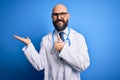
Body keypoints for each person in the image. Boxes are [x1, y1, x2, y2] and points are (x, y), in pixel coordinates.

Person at [13, 4, 90, 80]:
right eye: (55, 15)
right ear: (52, 17)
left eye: (62, 14)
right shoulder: (46, 39)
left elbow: (83, 65)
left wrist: (64, 49)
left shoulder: (78, 38)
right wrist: (29, 45)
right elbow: (39, 65)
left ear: (68, 16)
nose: (59, 17)